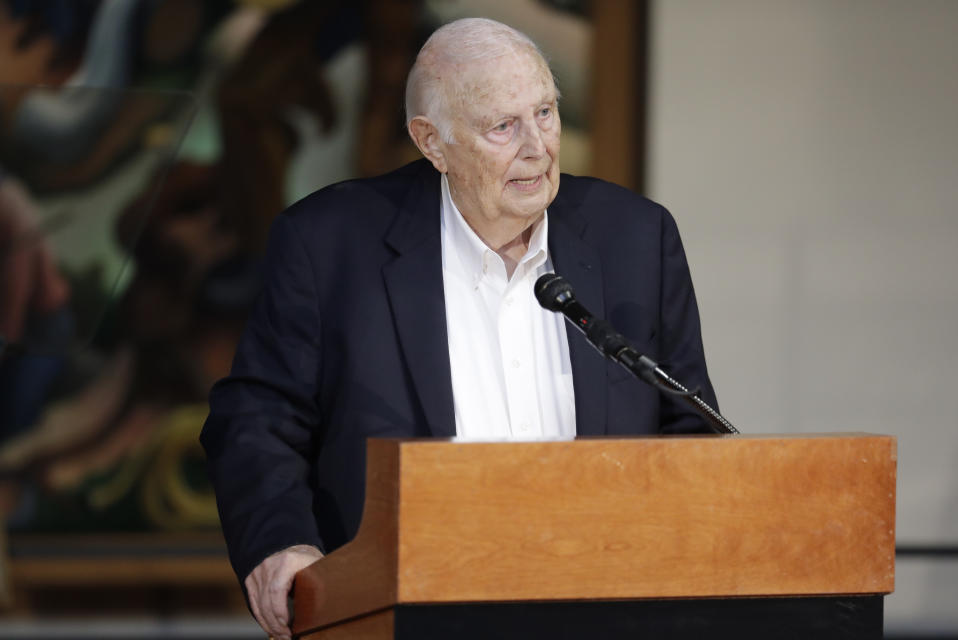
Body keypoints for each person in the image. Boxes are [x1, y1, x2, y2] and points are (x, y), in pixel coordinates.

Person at [201, 17, 718, 640]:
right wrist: (281, 544)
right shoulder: (330, 244)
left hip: (607, 614)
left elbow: (691, 426)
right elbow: (256, 418)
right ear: (432, 142)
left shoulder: (635, 236)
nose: (539, 147)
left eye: (547, 113)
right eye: (503, 126)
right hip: (404, 617)